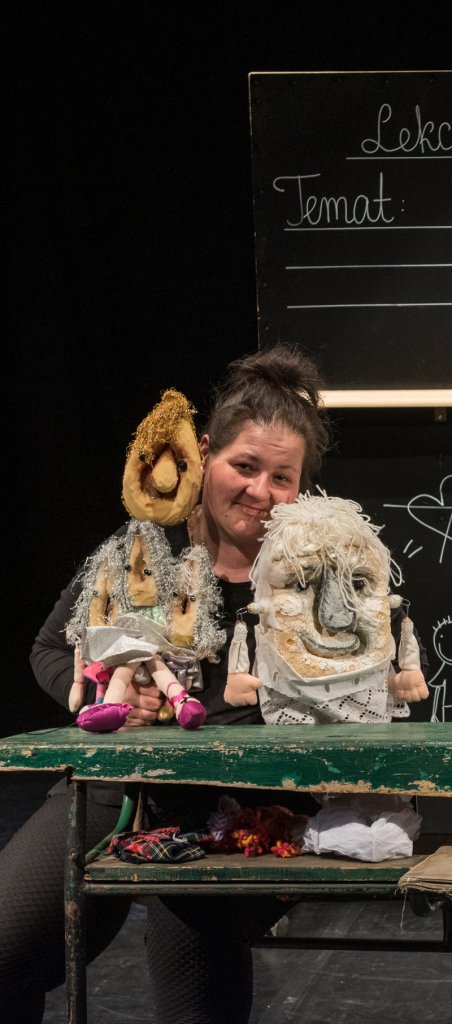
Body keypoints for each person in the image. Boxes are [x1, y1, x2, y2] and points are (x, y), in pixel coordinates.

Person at [1, 346, 332, 1024]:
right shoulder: (143, 548)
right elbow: (49, 648)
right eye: (244, 466)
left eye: (283, 477)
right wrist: (108, 696)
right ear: (203, 453)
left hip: (240, 810)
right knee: (7, 953)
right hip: (121, 784)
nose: (260, 492)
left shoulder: (312, 572)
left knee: (197, 994)